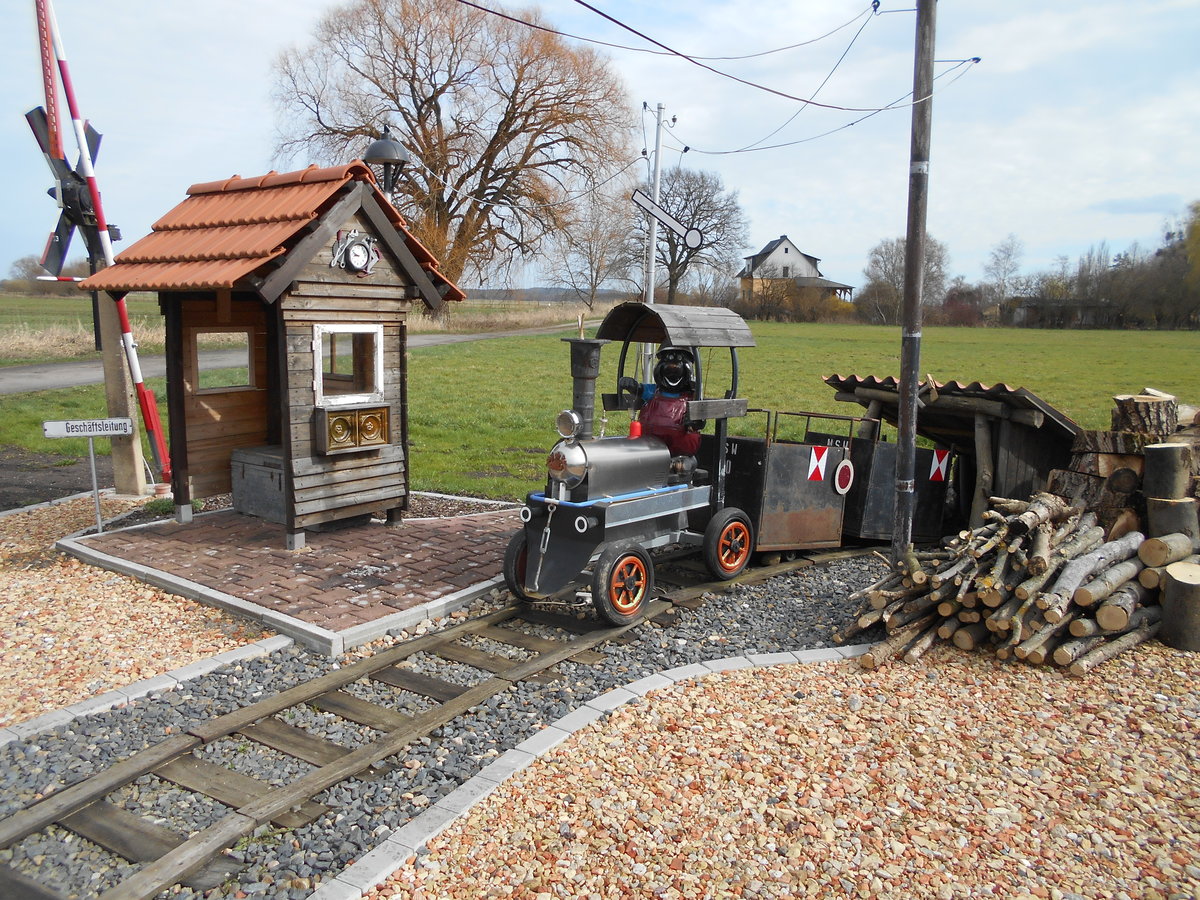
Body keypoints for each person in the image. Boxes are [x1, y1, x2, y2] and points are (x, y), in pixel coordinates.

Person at [621, 346, 703, 457]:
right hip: (650, 447)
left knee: (684, 464)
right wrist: (631, 385)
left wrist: (696, 421)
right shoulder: (653, 391)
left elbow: (701, 417)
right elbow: (639, 389)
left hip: (680, 451)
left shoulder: (692, 396)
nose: (673, 368)